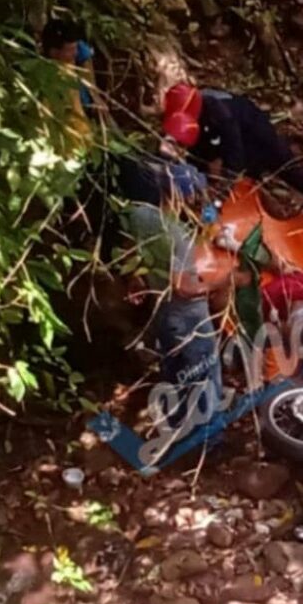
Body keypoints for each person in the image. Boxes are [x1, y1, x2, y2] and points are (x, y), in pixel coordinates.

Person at [120, 162, 225, 431]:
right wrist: (222, 282)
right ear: (185, 195)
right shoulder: (174, 233)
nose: (199, 198)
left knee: (175, 371)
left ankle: (178, 424)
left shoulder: (142, 216)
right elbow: (183, 287)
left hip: (163, 311)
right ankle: (207, 437)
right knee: (203, 374)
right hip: (189, 315)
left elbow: (133, 252)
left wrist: (137, 279)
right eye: (195, 193)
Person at [162, 83, 303, 213]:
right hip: (226, 137)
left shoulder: (222, 115)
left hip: (257, 134)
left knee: (285, 168)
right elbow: (196, 148)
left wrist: (219, 198)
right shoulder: (197, 114)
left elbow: (233, 159)